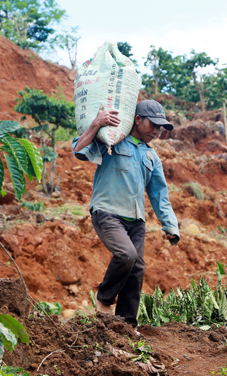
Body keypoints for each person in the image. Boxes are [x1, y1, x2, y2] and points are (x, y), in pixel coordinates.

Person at [72, 99, 180, 326]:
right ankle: (104, 299)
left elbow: (160, 195)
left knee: (137, 268)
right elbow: (79, 150)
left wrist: (170, 225)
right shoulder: (111, 140)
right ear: (138, 120)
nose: (156, 131)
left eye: (160, 127)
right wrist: (96, 124)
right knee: (126, 256)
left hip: (137, 221)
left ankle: (126, 325)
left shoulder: (152, 157)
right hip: (107, 213)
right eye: (153, 124)